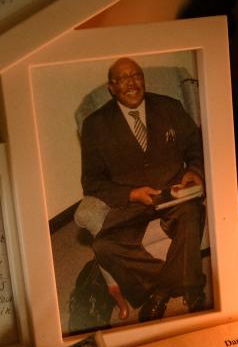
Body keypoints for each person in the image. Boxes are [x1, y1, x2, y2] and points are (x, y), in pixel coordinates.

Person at [79, 57, 207, 322]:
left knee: (191, 215)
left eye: (136, 75)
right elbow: (92, 181)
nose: (131, 83)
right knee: (103, 246)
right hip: (131, 202)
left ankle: (177, 291)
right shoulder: (95, 124)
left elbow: (196, 145)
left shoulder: (170, 107)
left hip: (174, 194)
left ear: (143, 79)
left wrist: (194, 169)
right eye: (123, 79)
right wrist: (130, 194)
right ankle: (167, 285)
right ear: (111, 87)